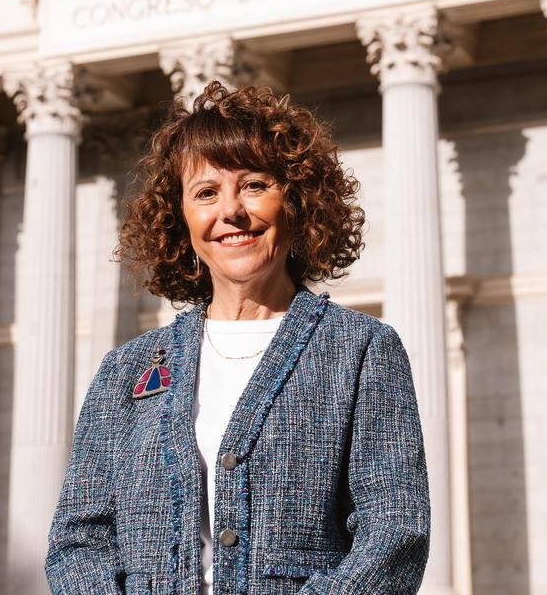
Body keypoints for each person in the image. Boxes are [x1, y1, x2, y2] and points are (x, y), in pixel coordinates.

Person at [45, 82, 431, 595]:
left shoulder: (360, 350)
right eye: (206, 193)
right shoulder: (126, 370)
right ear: (180, 219)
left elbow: (395, 532)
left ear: (295, 201)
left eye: (253, 185)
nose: (230, 211)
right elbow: (79, 541)